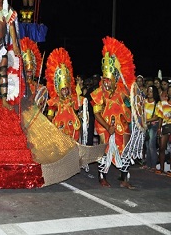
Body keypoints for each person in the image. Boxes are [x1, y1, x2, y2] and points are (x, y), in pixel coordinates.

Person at [91, 36, 136, 189]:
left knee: (125, 151)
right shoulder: (98, 93)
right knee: (106, 151)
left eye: (109, 80)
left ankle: (124, 178)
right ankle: (102, 177)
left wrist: (133, 94)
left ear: (115, 79)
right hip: (105, 127)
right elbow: (96, 113)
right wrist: (107, 127)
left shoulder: (121, 90)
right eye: (105, 79)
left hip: (121, 126)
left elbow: (132, 100)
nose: (106, 82)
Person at [45, 48, 82, 141]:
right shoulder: (54, 101)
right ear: (58, 89)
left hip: (73, 131)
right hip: (59, 132)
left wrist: (81, 112)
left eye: (66, 89)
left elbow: (80, 109)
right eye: (62, 89)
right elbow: (50, 116)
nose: (65, 91)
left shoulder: (74, 99)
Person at [142, 85, 160, 172]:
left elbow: (157, 117)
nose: (149, 93)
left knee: (151, 145)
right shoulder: (144, 101)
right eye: (148, 91)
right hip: (145, 125)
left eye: (151, 91)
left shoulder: (157, 103)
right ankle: (148, 164)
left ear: (154, 93)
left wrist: (147, 120)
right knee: (147, 145)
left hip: (153, 125)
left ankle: (153, 165)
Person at [157, 86, 171, 176]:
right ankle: (161, 168)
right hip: (165, 127)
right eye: (169, 91)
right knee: (162, 147)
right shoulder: (163, 103)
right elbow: (160, 117)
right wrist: (159, 128)